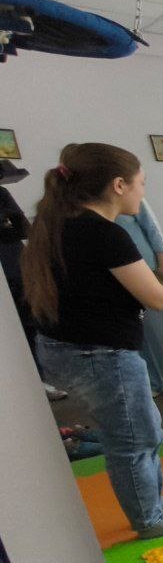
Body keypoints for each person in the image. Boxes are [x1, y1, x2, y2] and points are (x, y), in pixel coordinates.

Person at [22, 143, 163, 539]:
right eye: (141, 184)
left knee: (145, 430)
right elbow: (159, 300)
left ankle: (153, 505)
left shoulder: (65, 225)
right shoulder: (102, 233)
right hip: (99, 355)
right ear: (119, 185)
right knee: (133, 439)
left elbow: (131, 287)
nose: (143, 193)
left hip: (79, 351)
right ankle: (148, 519)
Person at [0, 160, 66, 400]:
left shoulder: (2, 194)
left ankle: (38, 381)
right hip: (11, 270)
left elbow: (23, 227)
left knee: (30, 327)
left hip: (16, 270)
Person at [116, 198, 163, 394]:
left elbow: (153, 229)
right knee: (139, 333)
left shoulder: (130, 196)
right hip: (123, 275)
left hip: (149, 270)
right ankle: (153, 382)